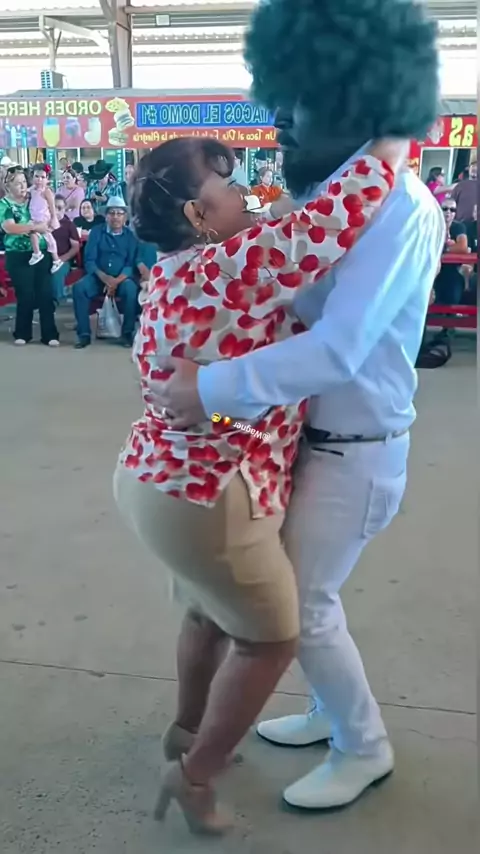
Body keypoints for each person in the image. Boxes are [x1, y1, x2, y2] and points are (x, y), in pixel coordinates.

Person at [150, 0, 444, 813]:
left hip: (357, 445)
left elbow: (339, 347)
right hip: (316, 440)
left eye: (296, 97)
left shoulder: (399, 207)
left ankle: (363, 746)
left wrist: (205, 391)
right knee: (303, 599)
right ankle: (326, 711)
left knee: (301, 608)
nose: (276, 116)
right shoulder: (332, 197)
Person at [115, 135, 403, 834]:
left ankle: (186, 732)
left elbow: (278, 222)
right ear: (198, 213)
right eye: (229, 183)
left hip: (161, 481)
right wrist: (394, 132)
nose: (247, 191)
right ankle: (195, 775)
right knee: (272, 640)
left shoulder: (177, 270)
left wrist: (232, 413)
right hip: (213, 494)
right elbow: (333, 218)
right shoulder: (229, 265)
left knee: (208, 615)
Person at [0, 166, 59, 346]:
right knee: (25, 294)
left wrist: (51, 219)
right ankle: (23, 333)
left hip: (42, 252)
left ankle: (50, 334)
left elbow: (49, 205)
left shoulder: (34, 196)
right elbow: (9, 227)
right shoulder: (5, 204)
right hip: (18, 254)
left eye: (24, 182)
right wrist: (34, 227)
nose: (23, 186)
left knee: (45, 293)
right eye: (18, 183)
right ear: (8, 186)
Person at [72, 196, 138, 349]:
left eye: (119, 213)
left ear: (125, 217)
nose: (115, 217)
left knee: (131, 289)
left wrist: (115, 281)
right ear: (106, 216)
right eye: (112, 213)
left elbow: (130, 265)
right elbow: (89, 261)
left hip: (121, 279)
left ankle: (127, 333)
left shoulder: (130, 236)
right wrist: (106, 278)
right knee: (79, 288)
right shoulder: (96, 232)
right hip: (98, 277)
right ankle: (84, 335)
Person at [27, 164, 63, 272]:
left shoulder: (46, 191)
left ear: (47, 179)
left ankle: (53, 258)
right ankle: (39, 254)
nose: (39, 180)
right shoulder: (32, 190)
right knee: (37, 235)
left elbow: (52, 206)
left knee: (48, 238)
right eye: (37, 176)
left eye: (42, 177)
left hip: (43, 219)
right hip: (34, 219)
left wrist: (54, 218)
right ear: (32, 177)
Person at [51, 195, 80, 302]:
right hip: (45, 258)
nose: (57, 211)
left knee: (57, 271)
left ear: (64, 209)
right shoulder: (44, 223)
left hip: (63, 260)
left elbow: (75, 247)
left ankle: (57, 301)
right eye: (54, 207)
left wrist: (61, 259)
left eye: (60, 208)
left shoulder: (69, 225)